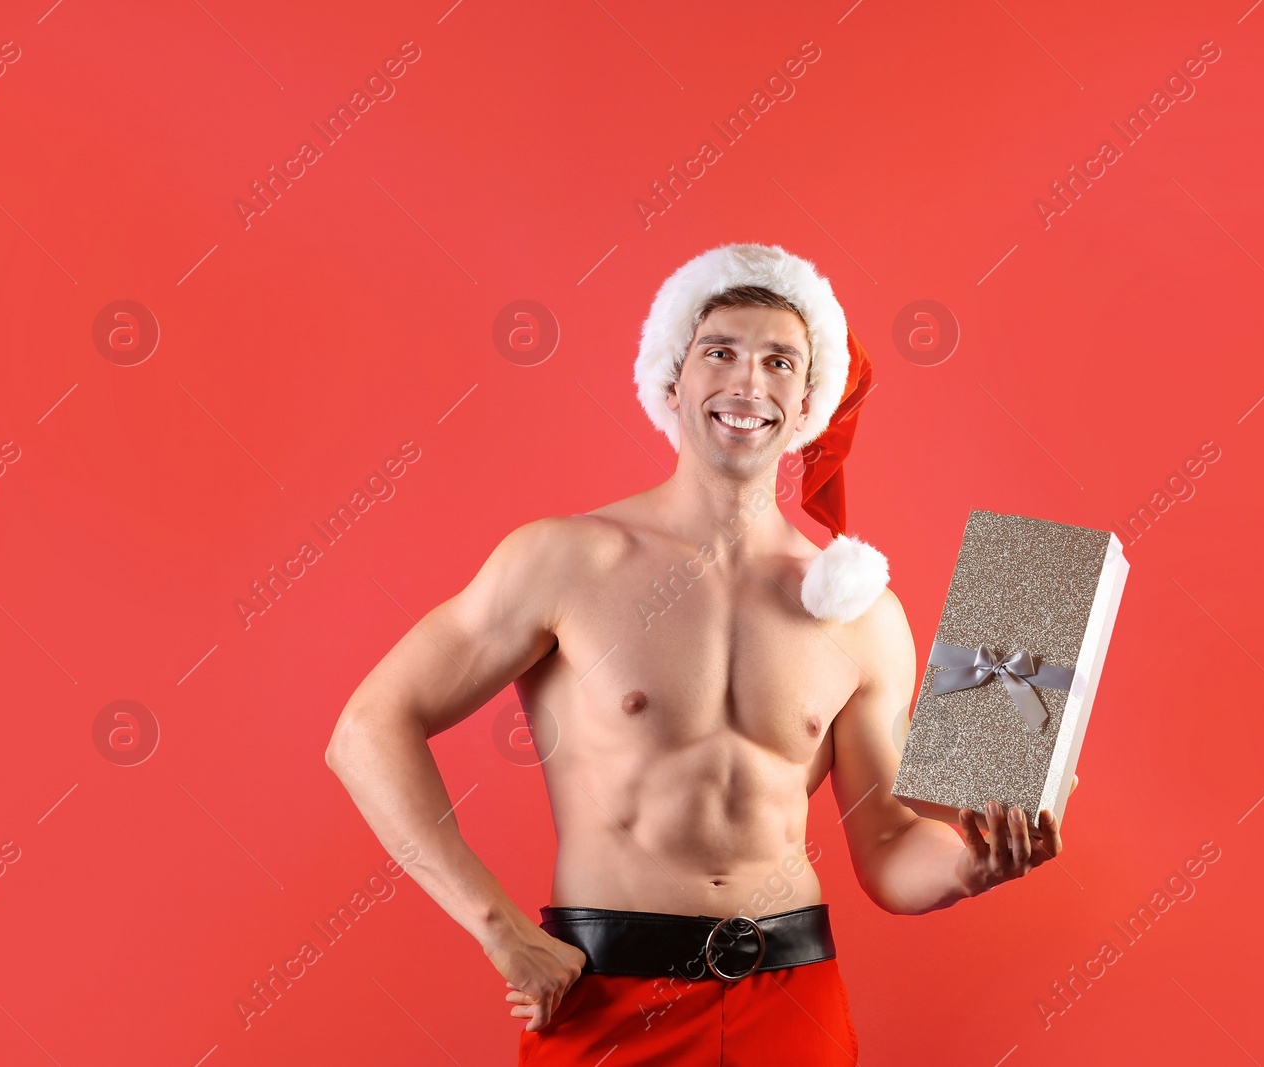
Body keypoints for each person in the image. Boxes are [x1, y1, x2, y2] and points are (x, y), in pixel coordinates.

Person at [325, 243, 1075, 1065]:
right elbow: (368, 727)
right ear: (673, 380)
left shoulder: (862, 611)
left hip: (795, 1002)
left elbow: (890, 849)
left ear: (807, 403)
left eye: (779, 361)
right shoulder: (567, 559)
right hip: (609, 997)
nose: (748, 383)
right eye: (721, 351)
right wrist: (499, 929)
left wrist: (979, 859)